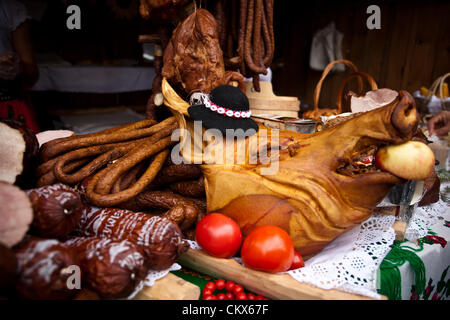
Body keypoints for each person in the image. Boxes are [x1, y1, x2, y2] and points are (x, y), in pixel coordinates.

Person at [0, 0, 40, 133]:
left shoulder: (9, 7)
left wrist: (16, 66)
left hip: (7, 105)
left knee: (21, 148)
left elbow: (31, 72)